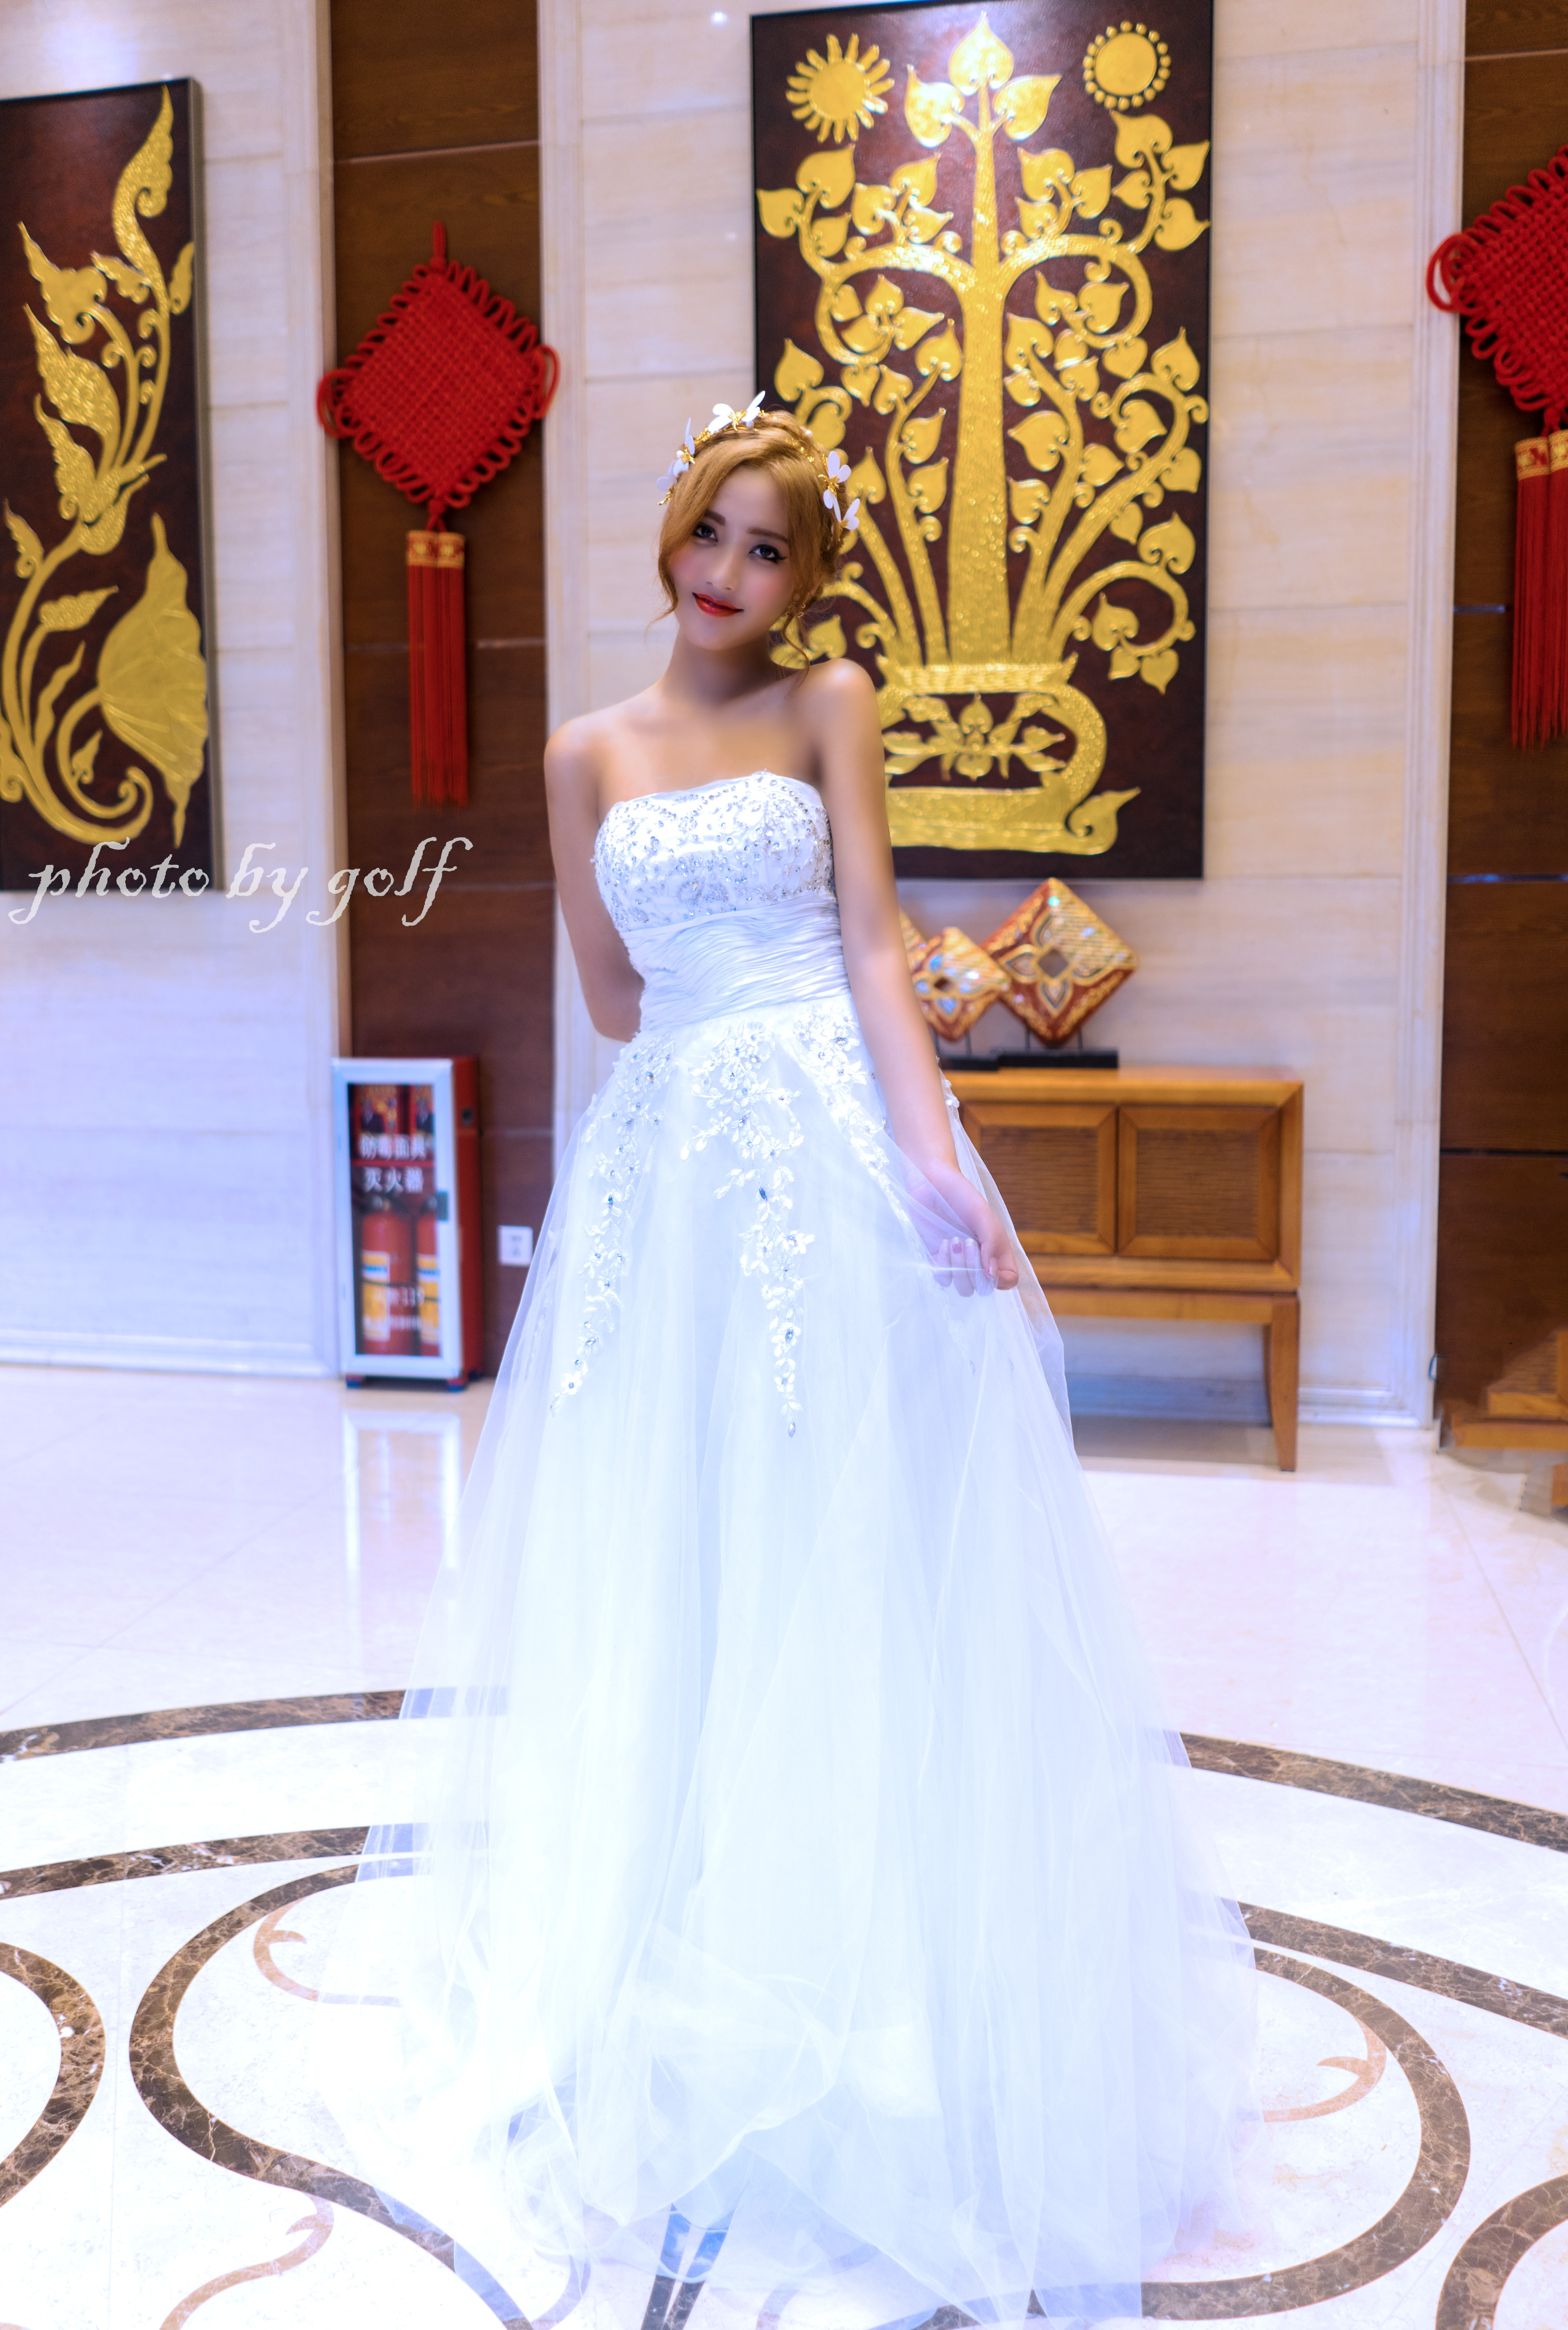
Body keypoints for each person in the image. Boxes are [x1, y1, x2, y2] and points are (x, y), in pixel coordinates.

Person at [319, 403, 1261, 2326]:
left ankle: (865, 1975)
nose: (729, 575)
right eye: (712, 536)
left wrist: (930, 1157)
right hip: (664, 1161)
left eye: (767, 550)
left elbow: (870, 949)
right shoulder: (581, 752)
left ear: (802, 581)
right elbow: (605, 995)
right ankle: (674, 1935)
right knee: (671, 1535)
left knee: (840, 1520)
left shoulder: (828, 703)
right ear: (671, 533)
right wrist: (680, 1014)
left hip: (822, 1139)